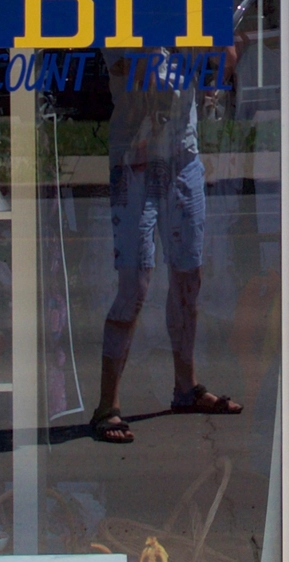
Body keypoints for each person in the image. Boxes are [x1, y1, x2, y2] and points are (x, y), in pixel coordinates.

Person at [91, 43, 242, 443]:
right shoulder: (124, 19)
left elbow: (218, 73)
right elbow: (139, 75)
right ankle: (108, 404)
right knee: (134, 285)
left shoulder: (187, 21)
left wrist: (221, 61)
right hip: (134, 160)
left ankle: (185, 386)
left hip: (182, 156)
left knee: (188, 277)